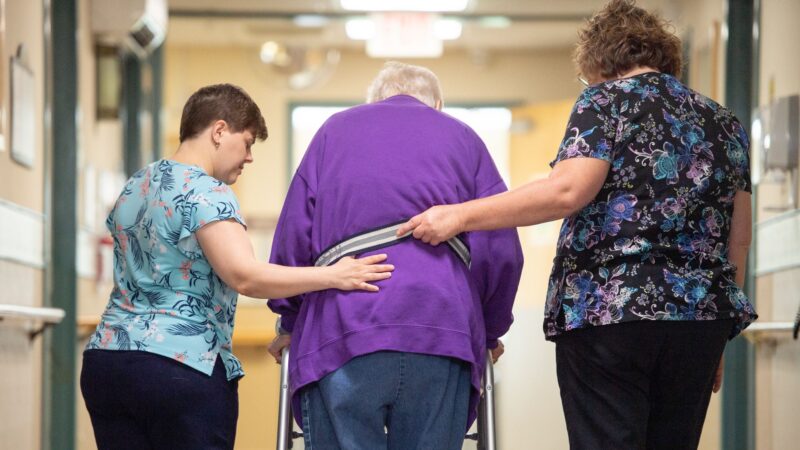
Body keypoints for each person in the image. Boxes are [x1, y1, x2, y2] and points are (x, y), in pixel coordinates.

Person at [398, 1, 758, 448]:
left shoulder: (604, 101)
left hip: (610, 310)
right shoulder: (725, 122)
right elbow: (738, 237)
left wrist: (459, 214)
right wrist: (719, 334)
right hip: (700, 319)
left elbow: (566, 192)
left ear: (598, 61)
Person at [80, 84, 394, 450]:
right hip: (180, 366)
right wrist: (335, 275)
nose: (249, 158)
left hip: (108, 362)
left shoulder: (137, 184)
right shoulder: (207, 191)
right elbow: (244, 275)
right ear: (218, 131)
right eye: (246, 143)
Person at [267, 62, 523, 450]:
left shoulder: (333, 131)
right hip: (442, 329)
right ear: (437, 104)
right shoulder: (464, 138)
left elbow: (292, 239)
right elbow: (502, 249)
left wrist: (289, 321)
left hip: (343, 328)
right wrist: (489, 331)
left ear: (372, 102)